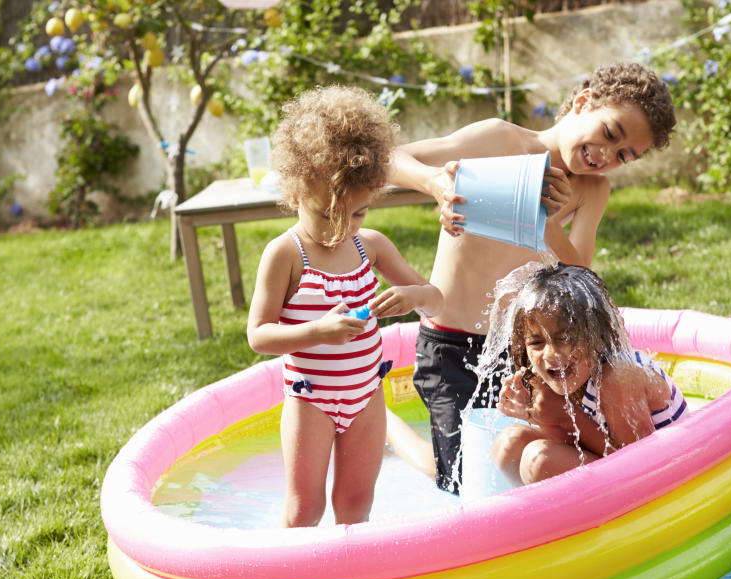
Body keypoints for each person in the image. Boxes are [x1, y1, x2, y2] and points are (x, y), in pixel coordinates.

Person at [387, 62, 676, 492]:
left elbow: (583, 282)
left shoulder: (591, 191)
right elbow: (387, 156)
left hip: (529, 351)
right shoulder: (501, 141)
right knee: (464, 483)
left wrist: (546, 223)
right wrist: (433, 183)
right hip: (450, 346)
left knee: (519, 469)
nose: (606, 156)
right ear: (582, 103)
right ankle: (386, 425)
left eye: (623, 156)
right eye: (611, 134)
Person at [247, 86, 444, 528]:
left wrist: (412, 298)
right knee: (305, 509)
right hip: (311, 399)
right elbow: (258, 335)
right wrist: (317, 331)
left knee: (356, 505)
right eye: (325, 215)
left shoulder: (371, 246)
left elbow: (435, 297)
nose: (340, 229)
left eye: (356, 214)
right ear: (294, 194)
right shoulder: (286, 255)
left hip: (366, 396)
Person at [490, 261, 687, 484]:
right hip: (621, 465)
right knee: (509, 445)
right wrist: (540, 415)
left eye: (565, 338)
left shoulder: (618, 378)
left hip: (671, 475)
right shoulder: (558, 375)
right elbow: (574, 444)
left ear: (597, 337)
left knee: (540, 461)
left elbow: (640, 470)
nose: (551, 354)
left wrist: (564, 415)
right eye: (536, 342)